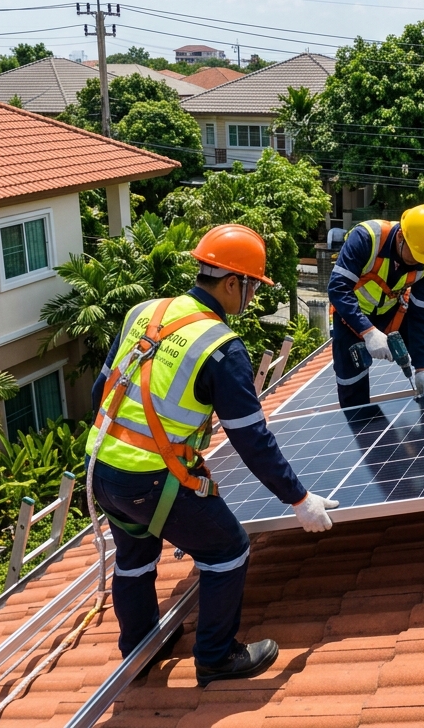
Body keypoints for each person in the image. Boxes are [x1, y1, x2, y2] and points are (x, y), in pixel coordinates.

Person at [87, 224, 338, 686]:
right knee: (227, 549)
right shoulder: (221, 348)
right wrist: (299, 500)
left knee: (135, 558)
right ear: (230, 283)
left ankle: (139, 651)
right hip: (151, 478)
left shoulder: (144, 312)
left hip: (102, 469)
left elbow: (99, 390)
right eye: (250, 287)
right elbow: (251, 439)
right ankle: (217, 656)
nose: (250, 298)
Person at [327, 204, 424, 409]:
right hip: (352, 316)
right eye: (415, 256)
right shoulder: (367, 238)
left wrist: (422, 368)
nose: (419, 264)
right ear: (401, 237)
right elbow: (337, 290)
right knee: (351, 386)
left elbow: (422, 314)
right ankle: (365, 434)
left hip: (394, 312)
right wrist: (368, 332)